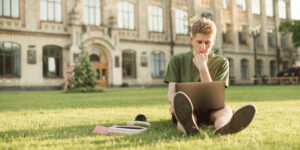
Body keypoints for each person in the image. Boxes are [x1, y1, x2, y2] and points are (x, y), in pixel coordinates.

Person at [164, 18, 256, 136]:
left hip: (213, 110)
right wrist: (176, 104)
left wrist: (203, 68)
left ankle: (223, 128)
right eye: (199, 42)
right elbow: (171, 93)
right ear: (192, 40)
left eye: (207, 42)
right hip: (187, 110)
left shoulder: (222, 62)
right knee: (187, 114)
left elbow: (213, 98)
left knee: (226, 111)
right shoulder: (177, 60)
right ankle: (190, 128)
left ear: (213, 41)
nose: (203, 47)